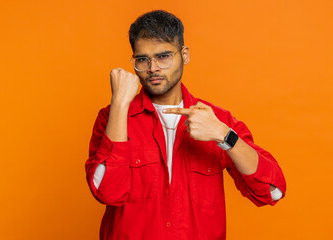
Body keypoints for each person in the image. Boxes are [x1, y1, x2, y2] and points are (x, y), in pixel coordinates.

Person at [85, 10, 286, 240]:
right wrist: (120, 104)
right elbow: (107, 193)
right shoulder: (112, 117)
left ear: (185, 55)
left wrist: (224, 135)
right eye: (142, 59)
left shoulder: (216, 120)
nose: (152, 68)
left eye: (163, 56)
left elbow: (272, 191)